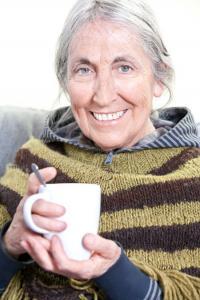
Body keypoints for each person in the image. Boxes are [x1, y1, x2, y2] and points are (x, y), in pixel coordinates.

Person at [0, 0, 200, 299]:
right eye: (84, 70)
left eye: (124, 67)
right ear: (66, 81)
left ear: (158, 78)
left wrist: (117, 274)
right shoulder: (34, 159)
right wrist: (9, 247)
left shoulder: (193, 177)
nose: (103, 96)